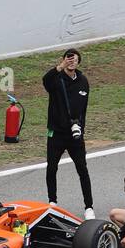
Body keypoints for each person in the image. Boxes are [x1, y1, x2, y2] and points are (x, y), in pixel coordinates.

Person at [42, 49, 94, 219]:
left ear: (79, 62)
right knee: (52, 167)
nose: (71, 62)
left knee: (82, 169)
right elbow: (46, 81)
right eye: (68, 59)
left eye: (74, 60)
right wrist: (59, 67)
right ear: (63, 60)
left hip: (75, 135)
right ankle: (52, 202)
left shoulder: (83, 81)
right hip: (56, 133)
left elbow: (83, 109)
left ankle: (89, 206)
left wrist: (80, 128)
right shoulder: (56, 79)